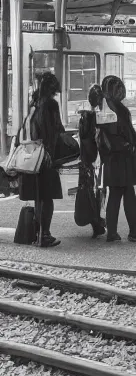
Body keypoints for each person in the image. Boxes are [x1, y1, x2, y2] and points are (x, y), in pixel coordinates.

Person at [98, 75, 136, 243]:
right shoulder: (117, 109)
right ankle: (134, 230)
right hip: (122, 157)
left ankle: (113, 232)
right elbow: (122, 132)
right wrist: (132, 147)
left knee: (117, 192)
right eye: (119, 88)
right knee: (126, 191)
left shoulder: (105, 108)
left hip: (111, 157)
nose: (122, 91)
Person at [18, 72, 66, 248]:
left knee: (40, 196)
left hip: (34, 154)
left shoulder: (35, 104)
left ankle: (38, 233)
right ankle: (45, 235)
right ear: (53, 89)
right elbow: (56, 130)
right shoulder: (51, 104)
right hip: (46, 156)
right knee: (47, 197)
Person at [75, 85, 107, 238]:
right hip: (92, 160)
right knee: (95, 191)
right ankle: (96, 222)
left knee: (91, 191)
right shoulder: (92, 116)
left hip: (87, 160)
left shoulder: (85, 114)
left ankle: (96, 221)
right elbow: (90, 140)